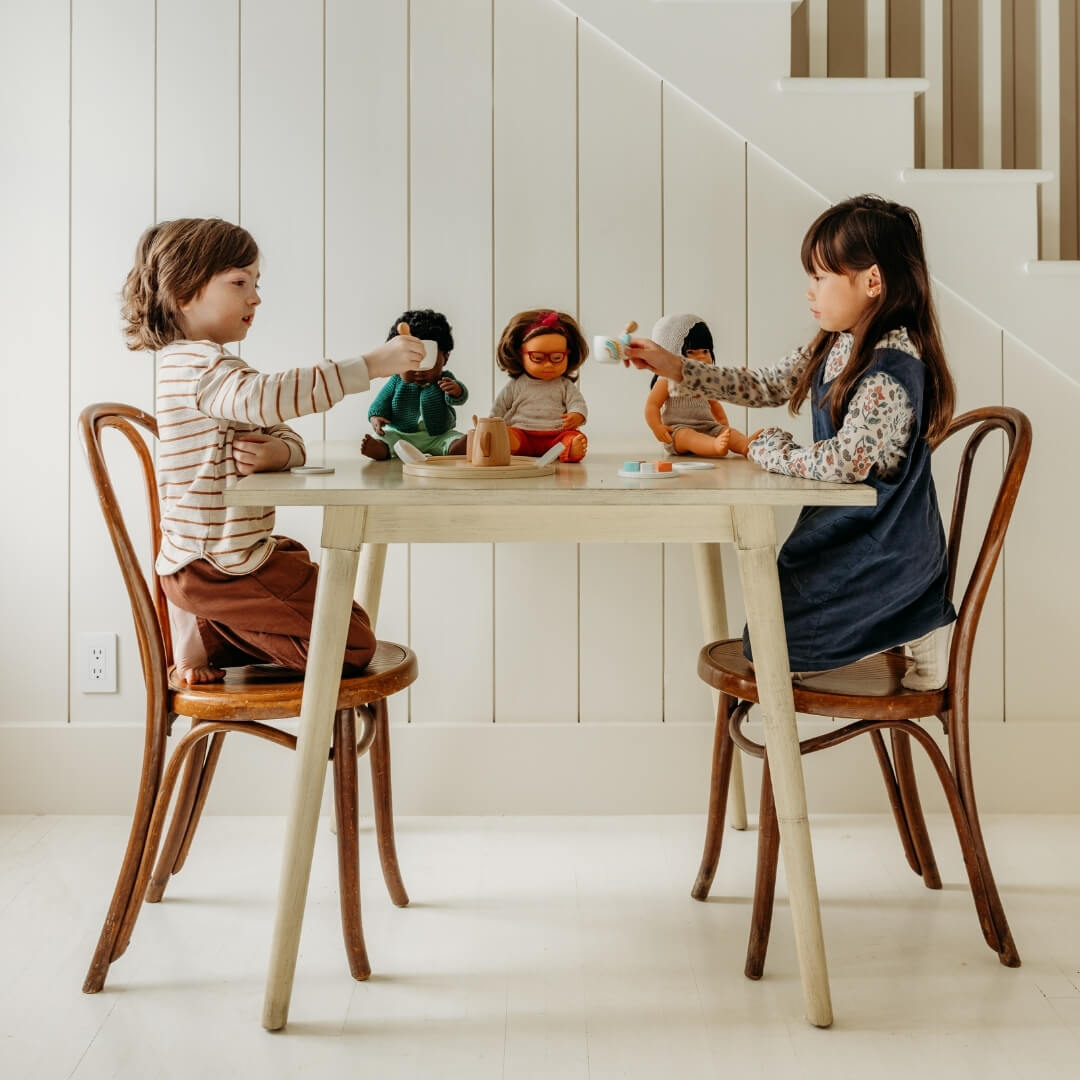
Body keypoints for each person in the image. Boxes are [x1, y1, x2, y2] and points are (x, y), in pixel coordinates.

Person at [624, 195, 957, 690]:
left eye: (820, 277)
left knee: (773, 650)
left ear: (872, 281)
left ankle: (920, 614)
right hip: (844, 525)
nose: (810, 292)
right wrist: (674, 367)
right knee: (767, 630)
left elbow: (844, 462)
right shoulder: (838, 342)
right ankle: (912, 616)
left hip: (883, 540)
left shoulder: (889, 366)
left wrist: (767, 449)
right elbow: (764, 384)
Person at [121, 217, 424, 685]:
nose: (255, 297)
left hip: (221, 557)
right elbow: (267, 397)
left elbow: (278, 424)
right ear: (182, 292)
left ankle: (211, 628)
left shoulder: (218, 369)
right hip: (214, 565)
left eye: (256, 283)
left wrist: (279, 455)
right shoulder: (196, 366)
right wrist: (370, 365)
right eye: (239, 282)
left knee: (308, 572)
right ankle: (206, 626)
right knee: (354, 645)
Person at [362, 308, 469, 460]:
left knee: (451, 437)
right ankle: (381, 447)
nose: (418, 370)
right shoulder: (396, 381)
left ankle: (455, 447)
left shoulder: (444, 380)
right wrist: (376, 417)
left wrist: (456, 391)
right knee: (388, 436)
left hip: (437, 435)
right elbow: (380, 402)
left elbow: (459, 397)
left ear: (445, 357)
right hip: (401, 434)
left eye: (427, 361)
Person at [644, 313, 756, 457]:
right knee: (687, 436)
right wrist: (657, 427)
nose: (702, 357)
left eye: (705, 351)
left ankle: (744, 445)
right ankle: (713, 447)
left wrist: (724, 428)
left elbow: (715, 405)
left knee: (726, 432)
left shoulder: (703, 380)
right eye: (691, 352)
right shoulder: (666, 380)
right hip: (677, 431)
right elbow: (652, 405)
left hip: (707, 427)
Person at [491, 309, 589, 462]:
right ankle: (512, 444)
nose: (548, 364)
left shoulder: (564, 385)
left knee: (573, 437)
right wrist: (491, 425)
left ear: (568, 354)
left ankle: (569, 448)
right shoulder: (516, 385)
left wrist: (577, 415)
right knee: (510, 434)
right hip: (523, 433)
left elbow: (577, 403)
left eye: (557, 357)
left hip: (557, 435)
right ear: (519, 353)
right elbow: (500, 406)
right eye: (538, 358)